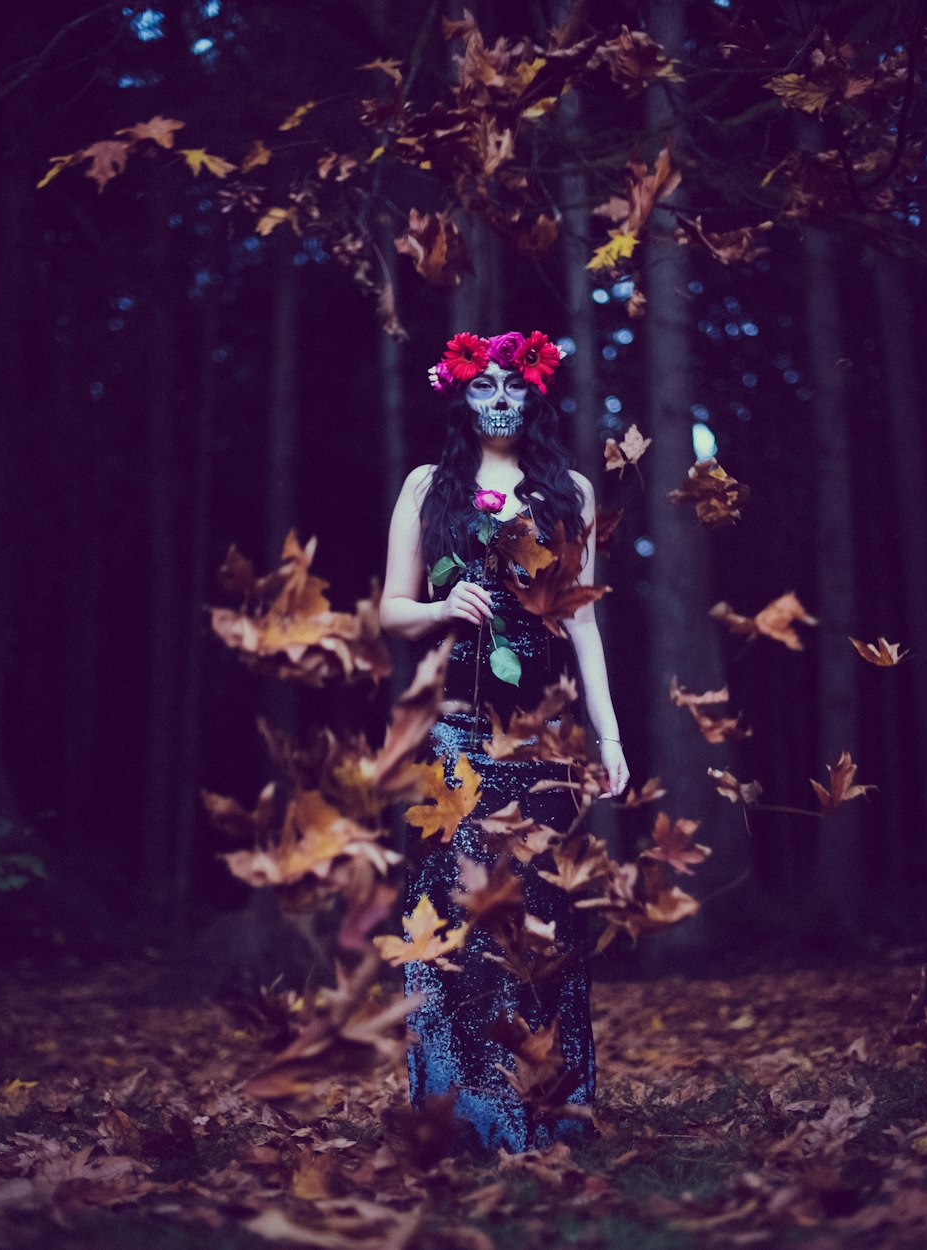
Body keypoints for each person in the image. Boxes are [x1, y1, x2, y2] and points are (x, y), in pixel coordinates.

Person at [380, 330, 629, 1152]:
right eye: (481, 385)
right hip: (453, 734)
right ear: (460, 394)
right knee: (454, 913)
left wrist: (610, 732)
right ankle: (461, 1116)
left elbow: (583, 620)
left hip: (544, 739)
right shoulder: (429, 486)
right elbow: (391, 609)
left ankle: (548, 1110)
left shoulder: (571, 492)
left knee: (541, 920)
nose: (497, 400)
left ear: (533, 395)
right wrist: (444, 610)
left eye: (511, 386)